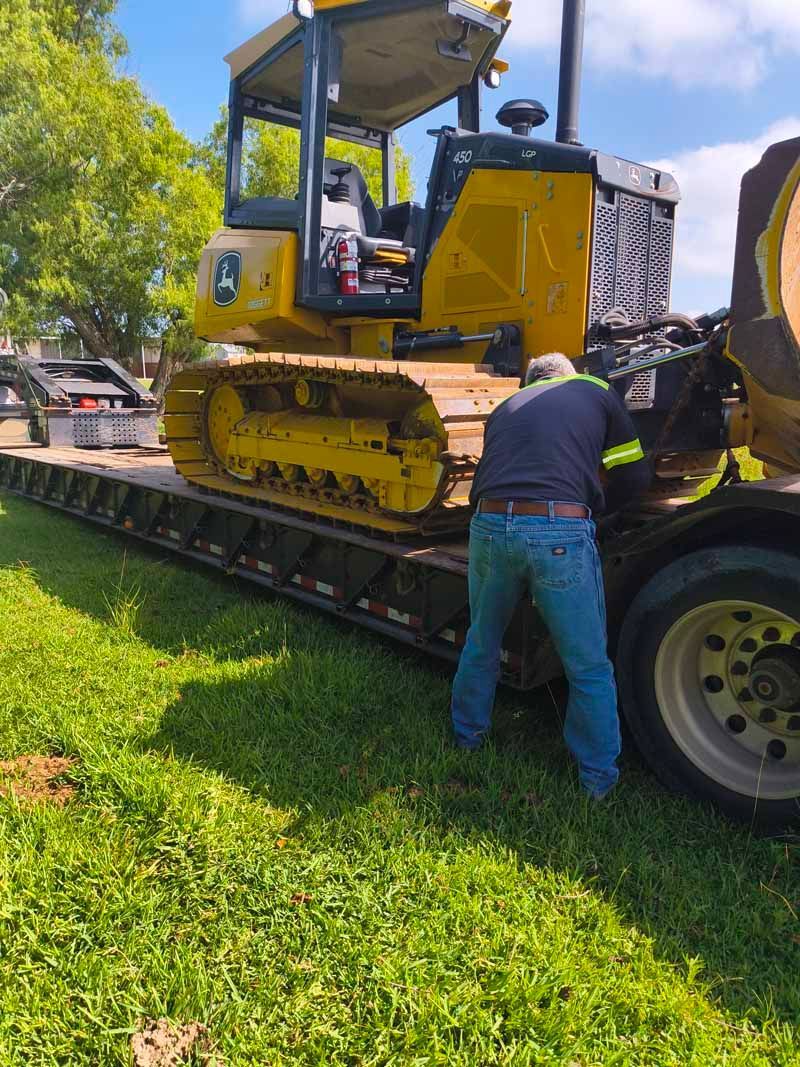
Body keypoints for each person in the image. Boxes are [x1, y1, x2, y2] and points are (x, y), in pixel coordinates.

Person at [451, 352, 651, 799]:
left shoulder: (505, 408)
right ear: (569, 377)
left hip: (488, 526)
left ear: (529, 382)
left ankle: (466, 739)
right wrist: (595, 513)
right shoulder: (596, 390)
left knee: (482, 642)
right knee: (588, 665)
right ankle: (597, 780)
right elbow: (635, 475)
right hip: (558, 529)